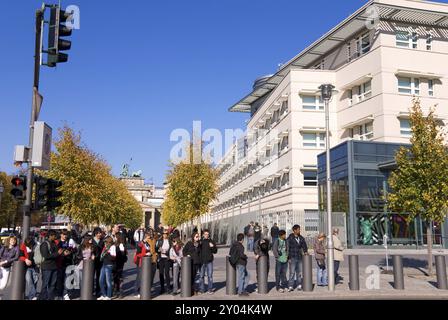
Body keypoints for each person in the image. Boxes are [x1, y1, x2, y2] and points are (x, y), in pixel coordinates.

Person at [55, 230, 77, 300]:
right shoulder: (57, 242)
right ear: (61, 235)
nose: (65, 236)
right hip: (60, 263)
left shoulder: (70, 241)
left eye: (66, 235)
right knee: (60, 280)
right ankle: (59, 294)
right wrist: (62, 253)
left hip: (68, 263)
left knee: (67, 280)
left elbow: (75, 249)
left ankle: (65, 294)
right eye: (64, 234)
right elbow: (56, 251)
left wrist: (70, 251)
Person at [39, 230, 61, 300]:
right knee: (45, 284)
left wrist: (62, 253)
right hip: (46, 267)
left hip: (54, 267)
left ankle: (50, 298)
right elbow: (46, 256)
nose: (55, 237)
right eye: (54, 235)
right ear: (50, 236)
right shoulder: (44, 244)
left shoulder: (54, 243)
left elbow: (57, 254)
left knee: (52, 285)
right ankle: (43, 298)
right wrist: (57, 254)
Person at [287, 224, 308, 292]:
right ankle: (290, 286)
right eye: (298, 229)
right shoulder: (290, 238)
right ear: (294, 230)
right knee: (292, 273)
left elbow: (304, 245)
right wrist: (288, 258)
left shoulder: (301, 238)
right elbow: (287, 248)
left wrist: (305, 251)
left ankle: (299, 284)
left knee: (299, 272)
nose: (299, 230)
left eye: (299, 229)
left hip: (299, 257)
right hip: (292, 257)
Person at [133, 232, 152, 297]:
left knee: (144, 277)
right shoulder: (140, 244)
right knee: (139, 277)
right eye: (148, 238)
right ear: (145, 237)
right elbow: (138, 254)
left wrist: (149, 254)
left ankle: (142, 291)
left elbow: (148, 250)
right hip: (140, 262)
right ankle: (136, 292)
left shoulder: (147, 243)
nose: (149, 239)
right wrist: (145, 254)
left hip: (146, 262)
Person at [98, 236, 116, 300]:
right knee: (100, 280)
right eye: (104, 242)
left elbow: (113, 257)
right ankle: (103, 294)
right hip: (104, 264)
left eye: (105, 241)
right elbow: (102, 255)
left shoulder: (112, 247)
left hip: (109, 265)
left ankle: (109, 296)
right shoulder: (105, 247)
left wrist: (107, 253)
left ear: (109, 241)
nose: (104, 243)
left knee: (108, 281)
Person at [199, 229, 217, 294]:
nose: (206, 235)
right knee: (201, 276)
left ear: (209, 234)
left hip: (209, 261)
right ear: (203, 235)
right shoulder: (200, 241)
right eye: (205, 234)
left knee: (210, 276)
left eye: (207, 234)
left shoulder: (211, 241)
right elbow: (197, 250)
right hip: (202, 261)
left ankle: (210, 289)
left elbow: (215, 251)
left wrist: (212, 246)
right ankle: (202, 289)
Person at [156, 230, 172, 294]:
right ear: (162, 235)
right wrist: (159, 250)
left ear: (167, 235)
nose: (165, 235)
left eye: (166, 234)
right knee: (161, 274)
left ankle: (168, 288)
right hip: (161, 259)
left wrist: (166, 252)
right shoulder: (159, 241)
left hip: (167, 258)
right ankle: (162, 288)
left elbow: (171, 249)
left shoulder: (169, 241)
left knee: (167, 273)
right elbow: (156, 249)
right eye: (164, 234)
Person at [114, 233, 128, 298]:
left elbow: (122, 254)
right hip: (116, 262)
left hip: (119, 262)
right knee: (116, 277)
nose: (115, 238)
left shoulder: (121, 245)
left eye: (115, 237)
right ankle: (117, 291)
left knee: (119, 277)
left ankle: (120, 292)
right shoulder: (116, 244)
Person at [92, 228, 104, 297]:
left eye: (100, 233)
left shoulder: (102, 241)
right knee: (91, 276)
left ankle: (98, 291)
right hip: (92, 262)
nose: (100, 234)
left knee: (99, 277)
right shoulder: (91, 240)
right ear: (95, 233)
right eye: (99, 233)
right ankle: (90, 290)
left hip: (100, 261)